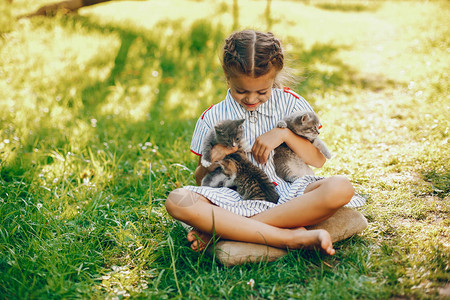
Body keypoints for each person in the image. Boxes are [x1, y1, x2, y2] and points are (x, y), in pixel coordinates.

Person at [165, 30, 365, 256]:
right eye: (241, 91)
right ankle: (288, 237)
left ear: (275, 76)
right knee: (177, 200)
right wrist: (211, 160)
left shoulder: (292, 104)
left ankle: (227, 230)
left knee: (341, 187)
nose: (251, 99)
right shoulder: (212, 117)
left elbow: (318, 160)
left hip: (294, 194)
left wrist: (285, 135)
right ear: (227, 76)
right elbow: (202, 179)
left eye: (262, 91)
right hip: (236, 197)